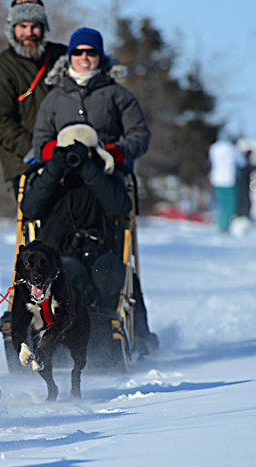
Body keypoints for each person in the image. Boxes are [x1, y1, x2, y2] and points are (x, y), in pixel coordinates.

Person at [22, 122, 157, 355]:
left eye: (82, 150)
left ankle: (112, 333)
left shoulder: (107, 175)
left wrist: (88, 168)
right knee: (68, 270)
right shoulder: (49, 178)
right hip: (59, 254)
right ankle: (66, 334)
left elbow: (120, 207)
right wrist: (55, 168)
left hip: (101, 252)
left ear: (94, 151)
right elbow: (30, 208)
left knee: (111, 271)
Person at [0, 0, 69, 200]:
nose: (29, 33)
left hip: (69, 153)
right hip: (25, 162)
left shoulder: (63, 57)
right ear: (12, 30)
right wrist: (37, 149)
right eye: (22, 26)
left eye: (35, 26)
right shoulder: (0, 71)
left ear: (44, 27)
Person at [32, 27, 150, 168]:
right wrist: (58, 152)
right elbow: (40, 143)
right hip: (64, 175)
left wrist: (116, 152)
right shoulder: (53, 99)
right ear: (70, 56)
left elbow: (140, 135)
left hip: (107, 173)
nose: (84, 57)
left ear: (100, 57)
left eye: (91, 52)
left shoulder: (119, 95)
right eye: (77, 52)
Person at [208, 132, 244, 232]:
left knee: (221, 204)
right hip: (228, 180)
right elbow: (242, 162)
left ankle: (221, 224)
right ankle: (225, 226)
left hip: (216, 180)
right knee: (230, 205)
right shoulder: (232, 148)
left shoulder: (214, 148)